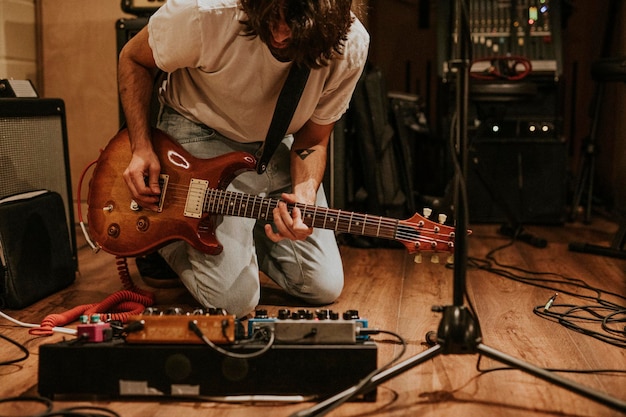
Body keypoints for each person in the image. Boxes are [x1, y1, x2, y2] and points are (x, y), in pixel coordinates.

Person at [117, 0, 370, 318]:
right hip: (199, 132)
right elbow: (133, 59)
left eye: (293, 22)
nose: (278, 34)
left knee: (322, 286)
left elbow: (313, 139)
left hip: (275, 142)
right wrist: (141, 147)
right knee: (236, 304)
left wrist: (304, 194)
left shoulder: (350, 46)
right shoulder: (204, 13)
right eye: (270, 17)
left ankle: (242, 224)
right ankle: (166, 233)